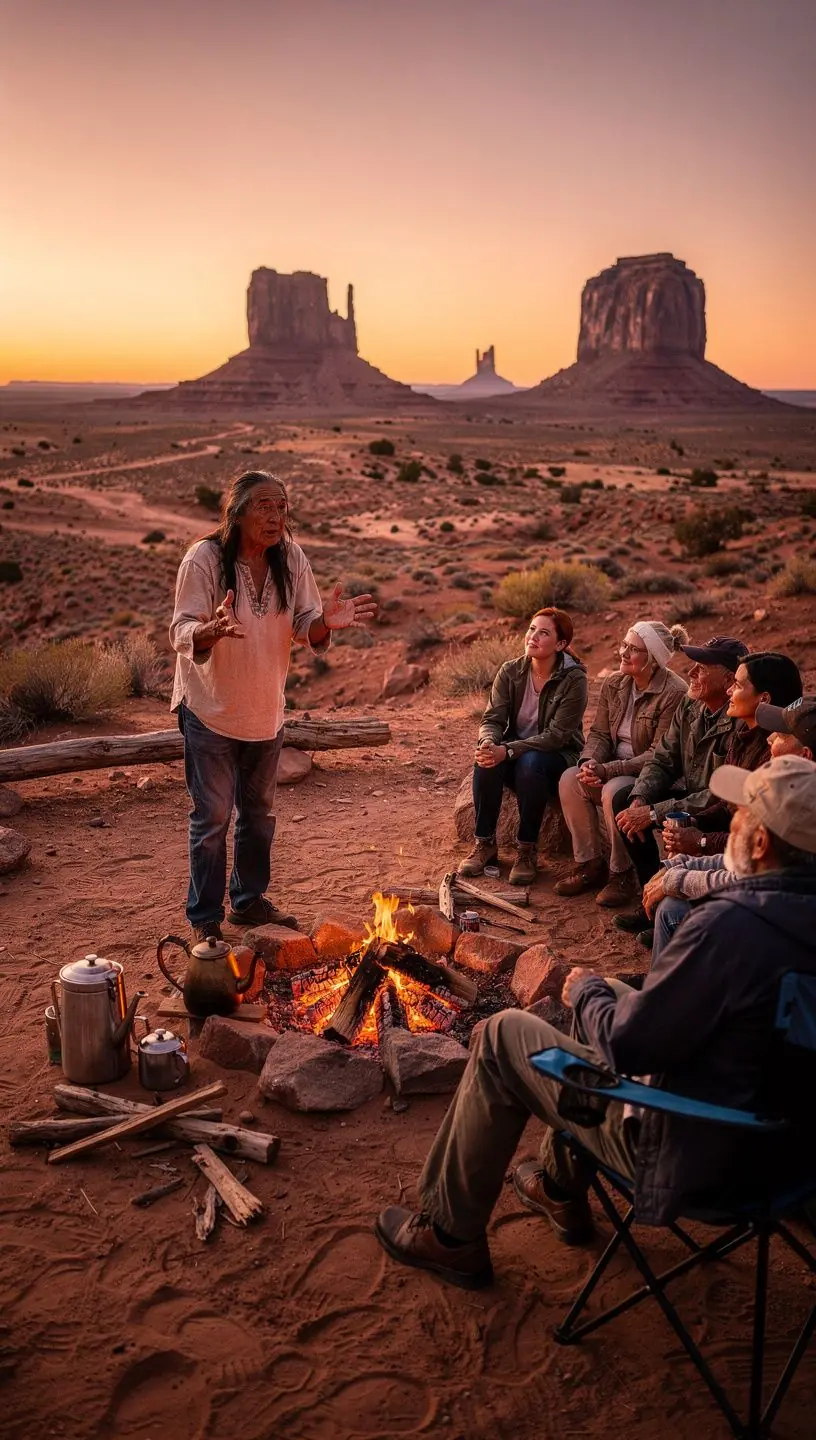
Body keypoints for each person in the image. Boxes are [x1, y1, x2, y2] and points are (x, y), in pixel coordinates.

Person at [374, 755, 816, 1289]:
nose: (733, 825)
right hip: (792, 1162)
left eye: (743, 814)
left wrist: (584, 992)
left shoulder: (728, 929)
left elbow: (629, 1045)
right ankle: (560, 1191)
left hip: (700, 1155)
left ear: (763, 844)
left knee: (503, 1034)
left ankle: (447, 1235)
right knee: (616, 994)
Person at [170, 470, 376, 940]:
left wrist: (326, 622)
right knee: (212, 820)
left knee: (258, 817)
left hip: (265, 712)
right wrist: (210, 629)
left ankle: (247, 902)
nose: (276, 516)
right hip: (211, 711)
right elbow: (181, 628)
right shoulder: (204, 558)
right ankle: (205, 920)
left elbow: (307, 624)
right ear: (237, 512)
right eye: (264, 505)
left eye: (282, 507)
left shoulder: (290, 557)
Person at [646, 691, 814, 960]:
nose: (769, 737)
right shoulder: (796, 790)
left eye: (781, 735)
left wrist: (678, 875)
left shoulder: (800, 809)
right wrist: (680, 866)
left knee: (675, 911)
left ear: (805, 754)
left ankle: (664, 994)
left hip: (784, 940)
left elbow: (747, 881)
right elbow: (744, 862)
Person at [611, 635, 748, 936]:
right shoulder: (691, 704)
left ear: (729, 679)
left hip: (717, 808)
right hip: (690, 795)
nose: (691, 673)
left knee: (658, 818)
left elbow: (720, 793)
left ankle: (676, 912)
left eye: (701, 668)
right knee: (624, 799)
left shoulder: (741, 719)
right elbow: (663, 759)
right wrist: (640, 798)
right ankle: (652, 897)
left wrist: (652, 813)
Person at [555, 620, 688, 907]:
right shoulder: (615, 683)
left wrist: (608, 770)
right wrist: (590, 762)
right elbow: (600, 733)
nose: (624, 653)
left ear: (652, 659)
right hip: (613, 766)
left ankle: (622, 874)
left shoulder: (675, 692)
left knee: (612, 791)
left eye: (634, 649)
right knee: (570, 778)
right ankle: (590, 864)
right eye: (624, 645)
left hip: (651, 776)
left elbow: (658, 754)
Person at [458, 608, 588, 887]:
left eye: (544, 632)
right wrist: (489, 742)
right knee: (486, 759)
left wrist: (509, 750)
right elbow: (492, 719)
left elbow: (558, 735)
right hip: (516, 749)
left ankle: (526, 850)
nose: (534, 637)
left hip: (557, 756)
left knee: (531, 764)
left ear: (561, 644)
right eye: (531, 629)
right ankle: (485, 844)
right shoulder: (511, 671)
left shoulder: (574, 679)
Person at [660, 652, 801, 862]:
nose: (729, 691)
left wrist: (702, 840)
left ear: (764, 698)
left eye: (737, 685)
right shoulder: (743, 733)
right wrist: (695, 822)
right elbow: (728, 805)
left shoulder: (777, 752)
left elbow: (758, 840)